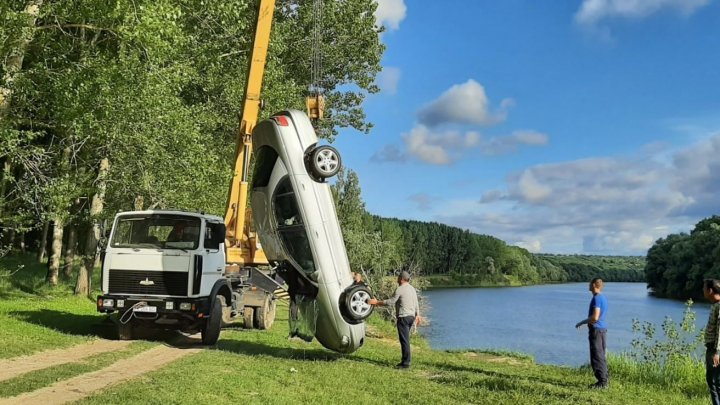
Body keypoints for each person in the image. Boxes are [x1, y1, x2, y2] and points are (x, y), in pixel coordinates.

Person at [368, 271, 421, 369]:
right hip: (411, 317)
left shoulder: (400, 289)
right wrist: (418, 315)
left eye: (398, 277)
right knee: (405, 340)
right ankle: (404, 361)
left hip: (403, 318)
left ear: (401, 279)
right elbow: (416, 302)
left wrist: (376, 302)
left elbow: (390, 302)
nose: (396, 279)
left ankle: (406, 363)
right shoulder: (412, 288)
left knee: (404, 341)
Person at [575, 278, 609, 389]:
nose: (588, 285)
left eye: (589, 284)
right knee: (601, 355)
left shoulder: (597, 299)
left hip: (596, 330)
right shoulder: (603, 298)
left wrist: (582, 322)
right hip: (602, 330)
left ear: (594, 285)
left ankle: (602, 383)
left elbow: (595, 317)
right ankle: (604, 380)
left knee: (596, 356)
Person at [703, 279, 720, 405]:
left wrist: (716, 352)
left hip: (715, 350)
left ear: (710, 290)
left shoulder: (719, 306)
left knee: (714, 382)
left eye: (704, 288)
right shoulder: (716, 304)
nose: (703, 291)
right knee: (714, 382)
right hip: (713, 349)